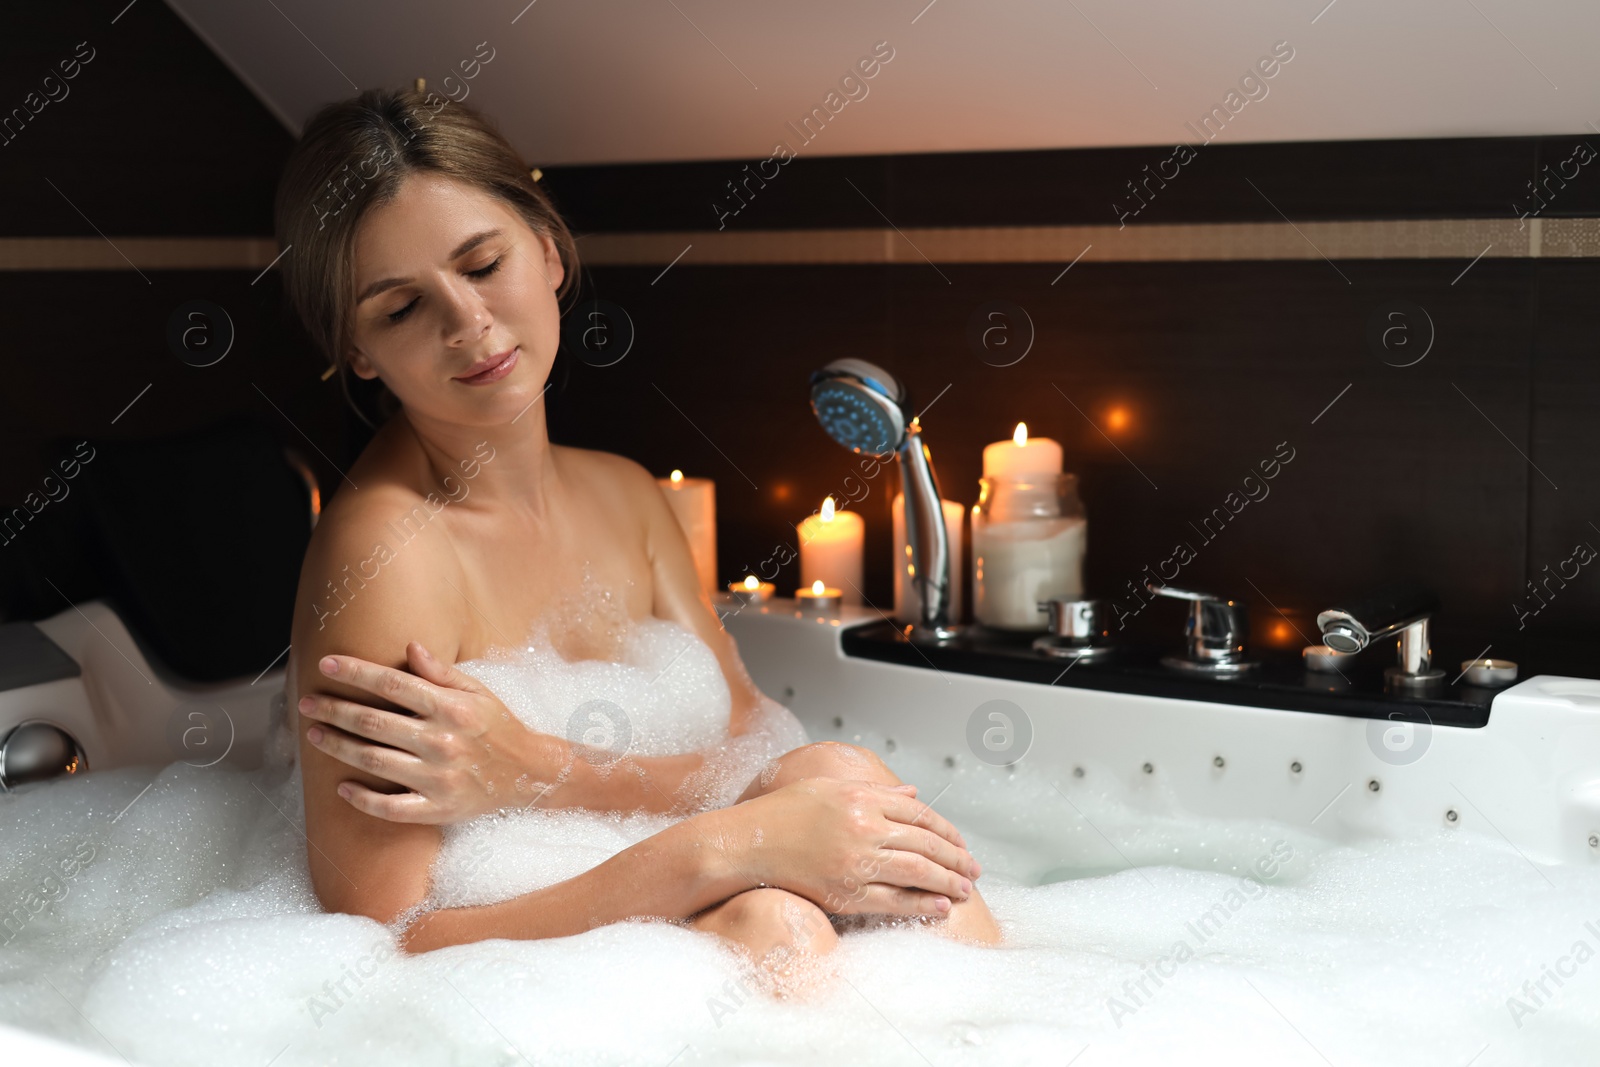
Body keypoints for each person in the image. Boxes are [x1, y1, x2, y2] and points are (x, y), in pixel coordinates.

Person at [273, 87, 999, 975]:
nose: (468, 324)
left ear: (546, 250)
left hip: (606, 878)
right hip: (488, 966)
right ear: (358, 351)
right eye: (400, 309)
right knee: (777, 926)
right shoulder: (386, 555)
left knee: (841, 774)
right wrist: (718, 852)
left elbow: (747, 743)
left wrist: (542, 766)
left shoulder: (625, 493)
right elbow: (378, 940)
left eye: (482, 263)